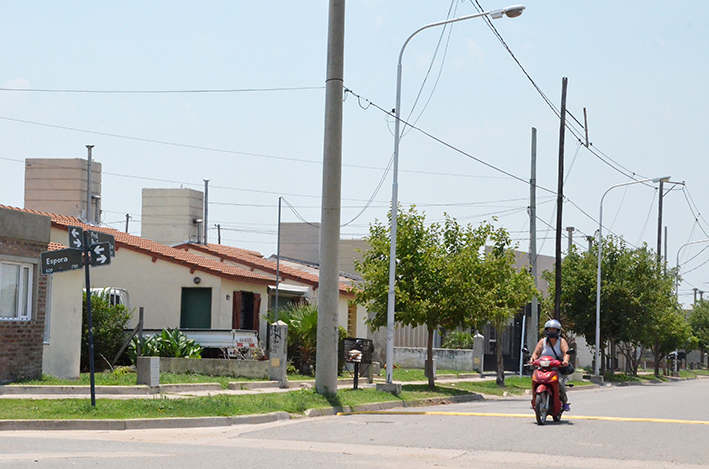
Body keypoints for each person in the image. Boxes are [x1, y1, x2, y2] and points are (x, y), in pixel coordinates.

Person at [529, 319, 574, 411]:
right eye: (549, 329)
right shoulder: (542, 341)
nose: (551, 331)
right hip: (543, 367)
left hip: (557, 368)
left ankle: (564, 402)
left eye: (553, 329)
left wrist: (565, 361)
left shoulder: (561, 341)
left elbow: (566, 353)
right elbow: (536, 353)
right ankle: (535, 400)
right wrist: (532, 359)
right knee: (535, 380)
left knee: (560, 383)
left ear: (558, 331)